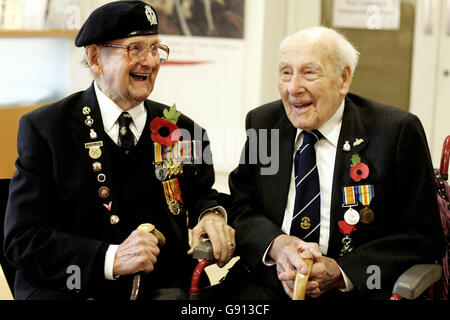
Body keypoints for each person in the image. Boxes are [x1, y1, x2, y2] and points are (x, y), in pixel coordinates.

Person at [3, 1, 235, 300]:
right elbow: (21, 240)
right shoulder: (47, 129)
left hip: (162, 288)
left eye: (155, 49)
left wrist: (212, 215)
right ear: (95, 58)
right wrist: (111, 259)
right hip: (74, 287)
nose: (149, 62)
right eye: (135, 48)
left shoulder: (184, 130)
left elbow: (202, 194)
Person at [228, 26, 446, 300]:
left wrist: (342, 272)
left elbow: (423, 238)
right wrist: (277, 245)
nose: (293, 88)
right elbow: (241, 207)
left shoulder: (395, 132)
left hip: (356, 289)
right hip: (270, 283)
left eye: (309, 72)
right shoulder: (264, 125)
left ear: (343, 79)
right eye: (285, 72)